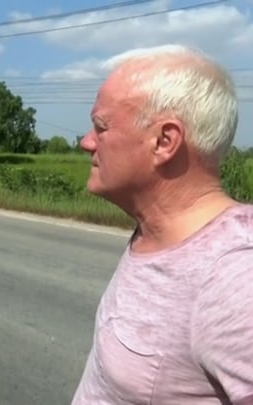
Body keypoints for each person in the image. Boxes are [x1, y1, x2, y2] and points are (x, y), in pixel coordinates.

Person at [72, 44, 253, 404]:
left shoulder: (235, 277)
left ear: (164, 142)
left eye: (100, 127)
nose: (85, 143)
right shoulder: (155, 233)